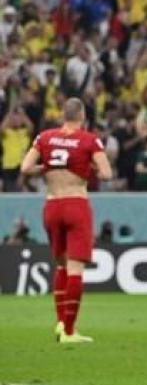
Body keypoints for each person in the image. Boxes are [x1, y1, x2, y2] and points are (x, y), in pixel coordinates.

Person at [19, 97, 112, 344]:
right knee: (75, 269)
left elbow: (25, 168)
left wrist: (46, 168)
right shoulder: (89, 140)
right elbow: (106, 174)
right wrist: (89, 166)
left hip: (52, 205)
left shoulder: (44, 137)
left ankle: (60, 322)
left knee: (61, 265)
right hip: (76, 204)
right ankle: (70, 331)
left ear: (63, 115)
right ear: (82, 116)